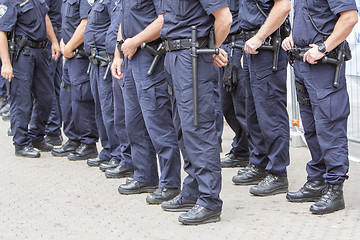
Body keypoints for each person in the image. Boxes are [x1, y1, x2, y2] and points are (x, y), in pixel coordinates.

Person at [157, 0, 232, 225]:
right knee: (183, 128)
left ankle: (209, 201)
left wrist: (210, 49)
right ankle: (192, 191)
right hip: (174, 56)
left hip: (192, 56)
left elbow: (224, 18)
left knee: (199, 128)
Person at [282, 0, 358, 214]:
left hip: (323, 67)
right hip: (302, 64)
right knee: (312, 129)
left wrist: (325, 47)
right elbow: (313, 21)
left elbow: (350, 17)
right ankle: (317, 181)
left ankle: (335, 189)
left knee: (330, 128)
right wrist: (292, 38)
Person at [111, 0, 182, 204]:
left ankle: (169, 183)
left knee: (157, 123)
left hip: (150, 56)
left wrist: (134, 42)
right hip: (131, 58)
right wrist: (118, 54)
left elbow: (164, 20)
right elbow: (124, 23)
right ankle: (145, 177)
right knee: (134, 123)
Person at [232, 0, 290, 196]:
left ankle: (278, 173)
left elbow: (283, 6)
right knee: (254, 114)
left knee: (271, 114)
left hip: (266, 46)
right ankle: (260, 164)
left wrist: (258, 37)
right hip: (252, 48)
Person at [0, 0, 60, 158]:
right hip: (22, 55)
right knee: (22, 101)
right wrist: (6, 63)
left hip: (40, 52)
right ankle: (21, 143)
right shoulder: (10, 1)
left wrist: (53, 40)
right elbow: (1, 31)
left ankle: (36, 136)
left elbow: (45, 17)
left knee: (46, 97)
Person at [51, 0, 99, 161]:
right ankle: (73, 139)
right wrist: (65, 44)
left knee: (81, 99)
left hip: (79, 55)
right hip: (70, 54)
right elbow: (68, 24)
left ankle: (88, 143)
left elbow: (85, 24)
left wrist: (70, 46)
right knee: (67, 98)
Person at [83, 0, 126, 173]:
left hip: (107, 61)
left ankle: (118, 154)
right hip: (96, 60)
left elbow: (116, 27)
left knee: (110, 111)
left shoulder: (113, 2)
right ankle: (108, 149)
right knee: (100, 110)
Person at [103, 0, 134, 179]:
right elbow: (122, 24)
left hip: (142, 56)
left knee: (134, 120)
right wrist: (117, 55)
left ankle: (141, 168)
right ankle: (127, 160)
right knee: (120, 117)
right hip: (122, 58)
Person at [219, 0, 250, 169]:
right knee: (227, 106)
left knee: (243, 106)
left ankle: (256, 155)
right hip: (223, 46)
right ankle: (242, 150)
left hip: (240, 43)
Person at [29, 0, 64, 149]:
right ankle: (52, 130)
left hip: (50, 36)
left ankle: (51, 130)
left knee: (47, 87)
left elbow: (43, 14)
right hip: (55, 34)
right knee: (52, 86)